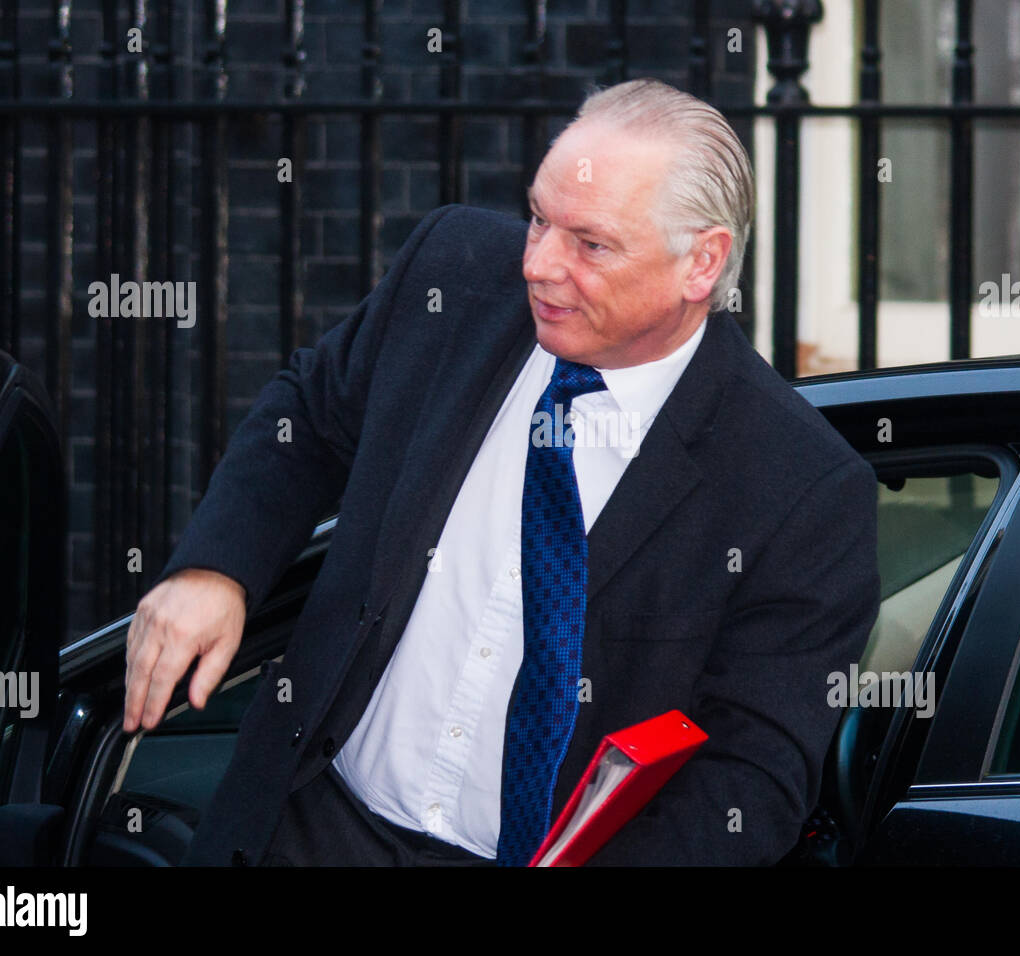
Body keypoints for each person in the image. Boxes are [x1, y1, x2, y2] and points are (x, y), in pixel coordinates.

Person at [123, 77, 881, 866]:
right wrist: (215, 570)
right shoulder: (453, 275)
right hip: (309, 824)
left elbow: (748, 786)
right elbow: (309, 418)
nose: (540, 265)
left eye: (590, 244)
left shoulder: (799, 488)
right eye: (538, 218)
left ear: (702, 263)